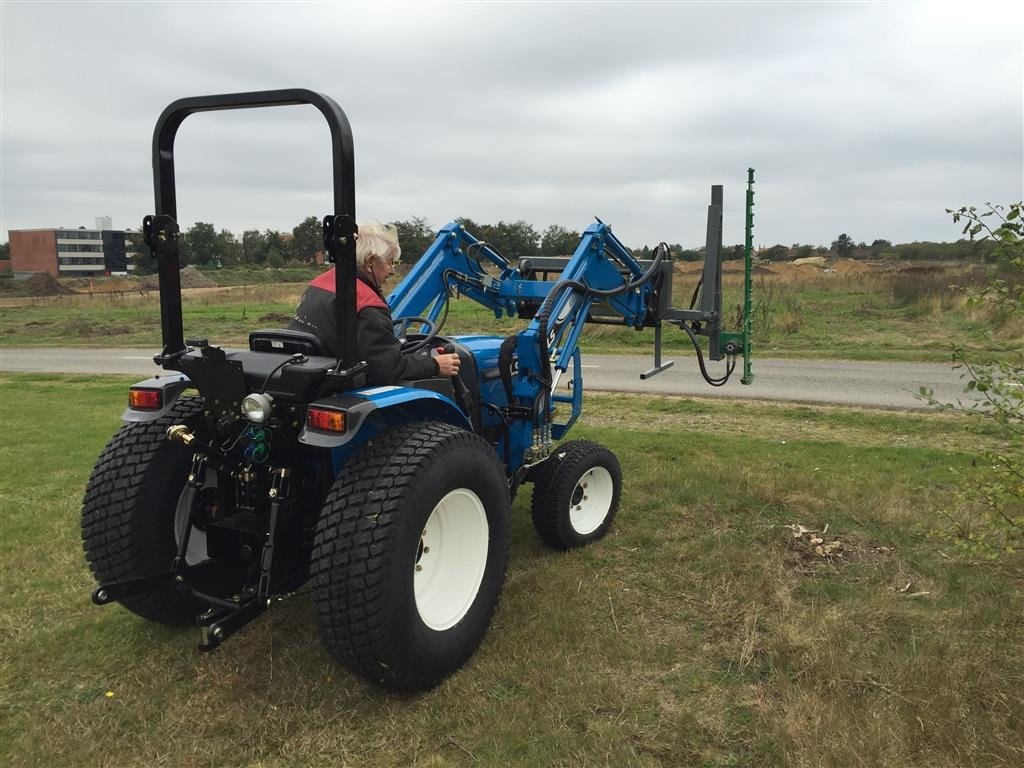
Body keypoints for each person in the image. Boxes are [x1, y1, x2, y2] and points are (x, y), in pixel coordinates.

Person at [288, 221, 461, 386]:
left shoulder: (320, 283)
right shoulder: (367, 303)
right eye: (390, 262)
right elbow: (386, 369)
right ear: (370, 262)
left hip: (309, 373)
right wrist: (435, 364)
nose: (393, 271)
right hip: (342, 385)